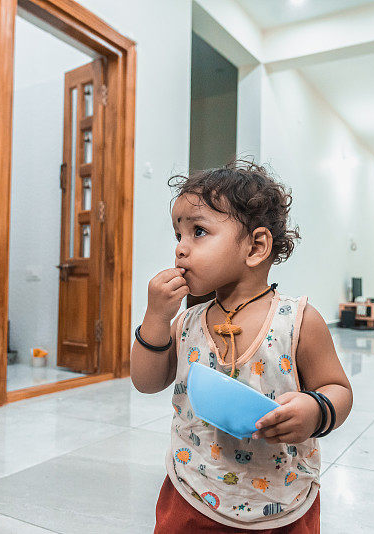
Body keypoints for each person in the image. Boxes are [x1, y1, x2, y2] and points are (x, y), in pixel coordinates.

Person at [131, 160, 353, 532]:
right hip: (193, 487)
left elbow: (339, 389)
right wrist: (155, 316)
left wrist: (315, 410)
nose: (181, 250)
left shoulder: (298, 321)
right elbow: (146, 381)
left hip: (279, 498)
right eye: (178, 235)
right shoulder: (186, 322)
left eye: (198, 231)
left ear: (256, 246)